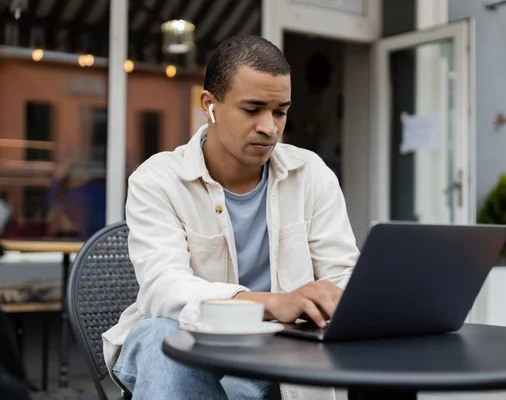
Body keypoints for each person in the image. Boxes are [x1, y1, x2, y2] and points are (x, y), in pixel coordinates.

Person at [102, 35, 360, 400]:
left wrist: (333, 298)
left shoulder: (311, 173)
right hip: (188, 349)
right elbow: (163, 290)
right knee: (159, 336)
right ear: (210, 105)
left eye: (280, 111)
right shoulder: (157, 180)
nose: (270, 128)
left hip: (280, 355)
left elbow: (343, 277)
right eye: (252, 109)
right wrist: (271, 303)